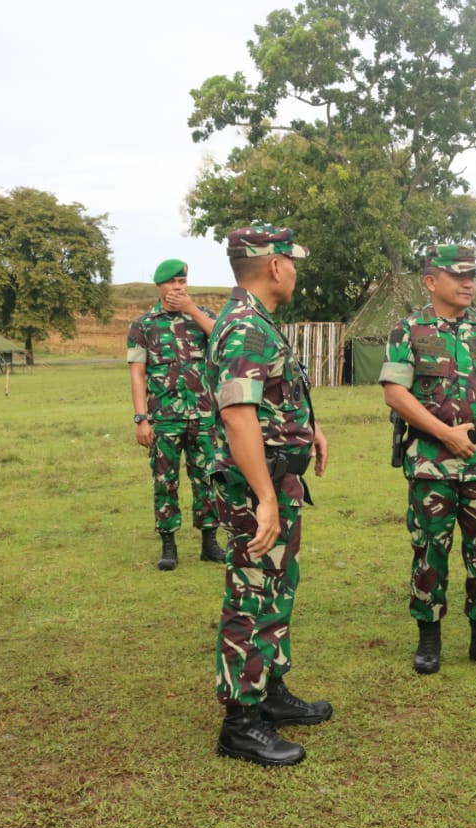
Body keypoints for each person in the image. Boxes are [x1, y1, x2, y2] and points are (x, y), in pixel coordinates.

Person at [206, 225, 332, 767]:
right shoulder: (244, 328)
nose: (295, 271)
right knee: (251, 593)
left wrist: (312, 429)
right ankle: (240, 722)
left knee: (278, 586)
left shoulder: (254, 322)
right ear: (275, 265)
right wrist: (264, 498)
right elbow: (238, 417)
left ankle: (270, 690)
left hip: (277, 479)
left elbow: (273, 398)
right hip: (253, 488)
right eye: (293, 261)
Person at [380, 244, 476, 675]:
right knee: (430, 547)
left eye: (474, 276)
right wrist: (444, 432)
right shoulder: (409, 330)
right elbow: (395, 392)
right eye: (459, 275)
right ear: (432, 281)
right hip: (431, 459)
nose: (469, 283)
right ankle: (429, 637)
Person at [127, 259, 226, 570]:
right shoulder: (143, 325)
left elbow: (225, 344)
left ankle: (210, 542)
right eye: (172, 283)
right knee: (164, 480)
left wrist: (192, 310)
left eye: (182, 281)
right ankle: (168, 545)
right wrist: (141, 419)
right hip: (165, 417)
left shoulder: (203, 316)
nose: (178, 287)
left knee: (208, 478)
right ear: (160, 286)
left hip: (204, 416)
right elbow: (138, 374)